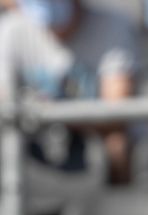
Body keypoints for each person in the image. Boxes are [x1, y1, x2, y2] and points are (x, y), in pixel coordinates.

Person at [0, 0, 138, 183]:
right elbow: (5, 103)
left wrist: (56, 112)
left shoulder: (113, 25)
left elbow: (115, 113)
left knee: (116, 143)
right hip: (35, 141)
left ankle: (119, 204)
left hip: (91, 138)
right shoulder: (12, 29)